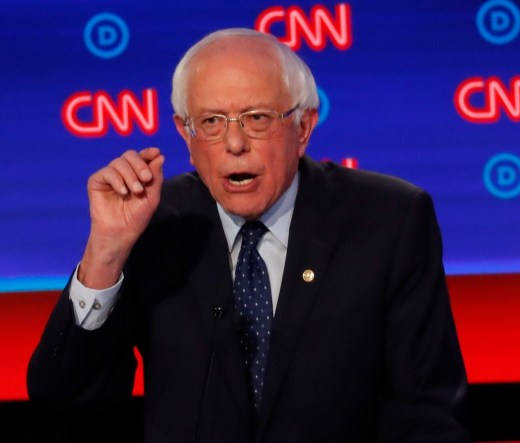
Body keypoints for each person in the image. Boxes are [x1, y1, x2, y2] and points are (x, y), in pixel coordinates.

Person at [27, 27, 471, 442]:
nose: (234, 144)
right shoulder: (155, 225)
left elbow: (428, 413)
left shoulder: (387, 219)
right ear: (186, 132)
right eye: (213, 122)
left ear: (303, 126)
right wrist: (105, 253)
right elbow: (63, 398)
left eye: (256, 118)